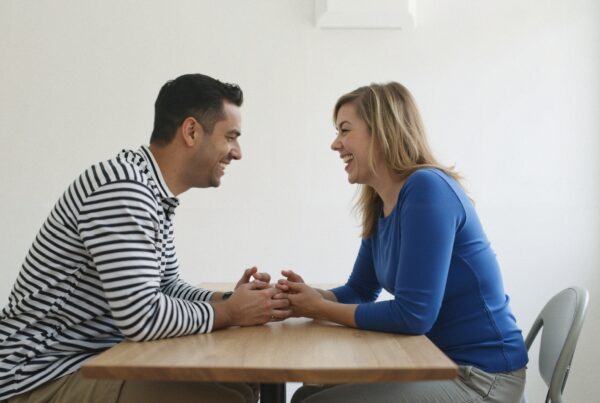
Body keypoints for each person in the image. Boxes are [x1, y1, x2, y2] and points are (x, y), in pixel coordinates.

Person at [0, 73, 291, 403]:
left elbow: (166, 288)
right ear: (192, 131)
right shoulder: (122, 189)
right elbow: (142, 316)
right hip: (36, 376)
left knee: (237, 387)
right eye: (231, 137)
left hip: (88, 362)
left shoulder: (150, 191)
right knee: (227, 399)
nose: (237, 153)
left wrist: (229, 300)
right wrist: (232, 313)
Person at [276, 82, 528, 403]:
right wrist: (309, 297)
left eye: (345, 130)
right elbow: (360, 291)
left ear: (381, 132)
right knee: (306, 396)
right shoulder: (380, 202)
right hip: (437, 363)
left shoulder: (427, 189)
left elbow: (414, 315)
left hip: (482, 378)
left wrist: (320, 308)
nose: (335, 144)